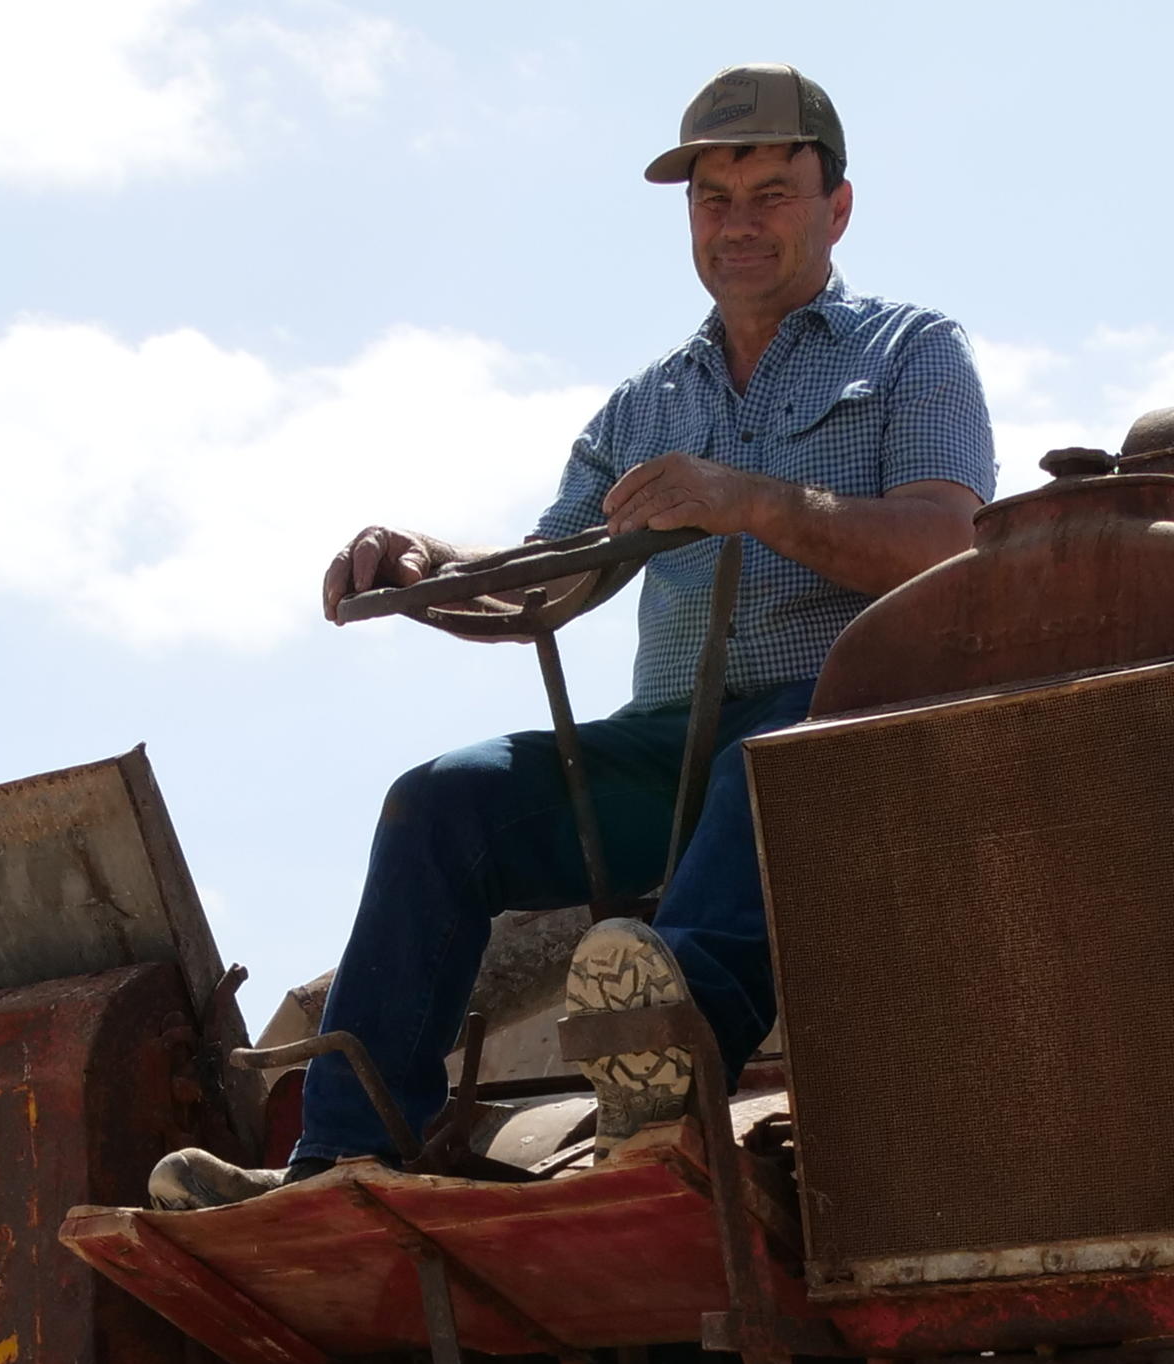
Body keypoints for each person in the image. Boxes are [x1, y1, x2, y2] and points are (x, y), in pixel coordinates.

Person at [146, 66, 993, 1209]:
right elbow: (539, 588)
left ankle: (664, 1078)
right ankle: (339, 1162)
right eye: (712, 198)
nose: (736, 222)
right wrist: (423, 569)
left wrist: (753, 501)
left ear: (836, 208)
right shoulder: (644, 406)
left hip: (845, 732)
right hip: (668, 752)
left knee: (771, 756)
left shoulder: (910, 351)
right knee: (441, 798)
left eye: (770, 193)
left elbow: (949, 543)